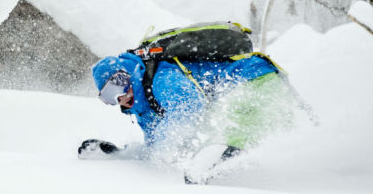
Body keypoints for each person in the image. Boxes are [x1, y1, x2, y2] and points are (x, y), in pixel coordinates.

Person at [84, 49, 298, 177]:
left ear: (130, 73)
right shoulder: (145, 108)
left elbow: (189, 107)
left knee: (236, 143)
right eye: (109, 95)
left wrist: (165, 151)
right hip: (251, 89)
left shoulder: (161, 78)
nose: (119, 97)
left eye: (118, 84)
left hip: (254, 80)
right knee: (283, 141)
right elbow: (156, 147)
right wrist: (123, 155)